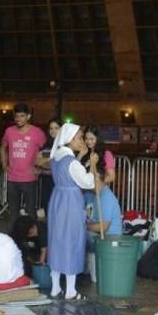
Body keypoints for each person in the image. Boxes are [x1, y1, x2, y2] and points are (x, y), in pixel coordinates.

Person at [46, 123, 95, 300]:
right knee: (72, 241)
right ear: (70, 139)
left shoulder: (55, 157)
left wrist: (81, 157)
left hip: (57, 200)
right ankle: (71, 291)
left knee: (56, 240)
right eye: (80, 137)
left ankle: (55, 288)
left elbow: (69, 172)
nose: (82, 140)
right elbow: (88, 183)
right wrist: (93, 167)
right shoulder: (72, 163)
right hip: (71, 203)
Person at [0, 103, 45, 220]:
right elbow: (3, 147)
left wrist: (40, 168)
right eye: (16, 116)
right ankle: (13, 236)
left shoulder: (37, 132)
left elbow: (47, 152)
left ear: (28, 116)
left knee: (30, 211)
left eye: (22, 116)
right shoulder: (9, 131)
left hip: (29, 179)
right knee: (13, 211)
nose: (18, 119)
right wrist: (4, 164)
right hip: (12, 178)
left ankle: (33, 238)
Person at [37, 118, 62, 217]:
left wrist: (47, 161)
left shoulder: (66, 146)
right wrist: (49, 161)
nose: (53, 131)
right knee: (48, 208)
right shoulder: (46, 145)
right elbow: (37, 161)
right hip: (46, 181)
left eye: (56, 128)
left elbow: (59, 165)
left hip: (59, 182)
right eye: (51, 128)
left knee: (58, 210)